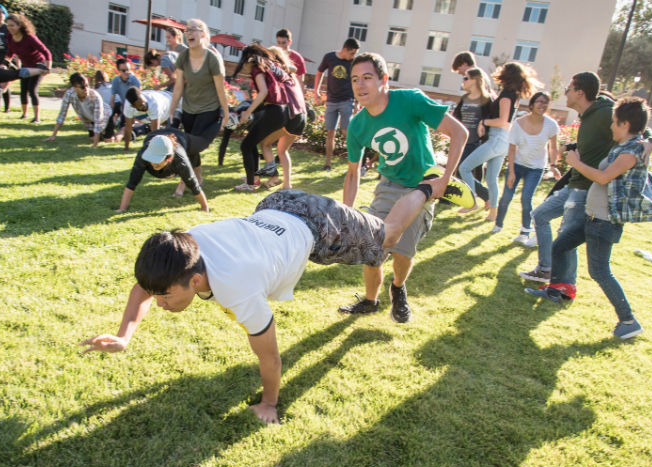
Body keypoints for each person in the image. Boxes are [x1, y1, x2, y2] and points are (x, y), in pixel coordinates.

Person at [81, 182, 444, 424]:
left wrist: (269, 404)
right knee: (375, 239)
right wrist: (124, 336)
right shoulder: (181, 248)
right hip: (275, 204)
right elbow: (141, 288)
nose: (158, 302)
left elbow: (269, 355)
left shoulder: (237, 287)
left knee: (389, 233)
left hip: (318, 224)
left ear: (194, 281)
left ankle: (432, 185)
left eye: (165, 296)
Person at [339, 52, 468, 323]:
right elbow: (352, 175)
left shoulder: (410, 100)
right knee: (373, 247)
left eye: (367, 78)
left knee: (403, 252)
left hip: (422, 186)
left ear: (384, 80)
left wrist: (444, 181)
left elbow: (460, 133)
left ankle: (397, 287)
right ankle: (371, 300)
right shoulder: (358, 125)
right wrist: (346, 213)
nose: (360, 85)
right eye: (354, 80)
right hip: (388, 186)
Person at [525, 98, 652, 340]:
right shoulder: (626, 146)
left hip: (604, 222)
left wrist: (576, 163)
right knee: (560, 245)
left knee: (599, 271)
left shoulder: (632, 151)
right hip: (592, 217)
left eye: (615, 123)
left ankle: (628, 320)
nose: (611, 127)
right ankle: (555, 290)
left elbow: (604, 177)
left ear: (626, 124)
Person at [519, 72, 652, 283]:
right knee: (540, 215)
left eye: (569, 89)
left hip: (587, 187)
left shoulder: (603, 113)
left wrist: (651, 142)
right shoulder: (588, 114)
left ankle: (564, 284)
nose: (565, 93)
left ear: (580, 92)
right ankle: (546, 269)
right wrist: (574, 147)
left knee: (566, 237)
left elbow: (638, 127)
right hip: (575, 183)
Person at [458, 62, 540, 221]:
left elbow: (503, 121)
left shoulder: (507, 95)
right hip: (503, 141)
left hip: (497, 139)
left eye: (503, 70)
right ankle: (493, 214)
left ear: (507, 75)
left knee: (464, 168)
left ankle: (472, 202)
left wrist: (484, 122)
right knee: (491, 179)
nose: (499, 72)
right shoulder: (512, 95)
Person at [169, 18, 229, 196]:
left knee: (188, 146)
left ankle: (181, 186)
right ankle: (200, 177)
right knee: (191, 145)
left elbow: (220, 89)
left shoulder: (212, 59)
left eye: (193, 30)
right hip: (189, 109)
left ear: (203, 34)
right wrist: (172, 110)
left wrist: (225, 113)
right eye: (186, 30)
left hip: (208, 109)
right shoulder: (183, 57)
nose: (188, 33)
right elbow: (179, 85)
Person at [492, 91, 560, 243]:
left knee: (526, 198)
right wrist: (510, 172)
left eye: (545, 102)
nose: (542, 105)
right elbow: (511, 148)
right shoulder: (518, 123)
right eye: (539, 101)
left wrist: (553, 165)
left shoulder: (551, 125)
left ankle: (524, 232)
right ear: (532, 104)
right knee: (506, 197)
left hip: (536, 168)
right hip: (517, 165)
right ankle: (498, 224)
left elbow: (553, 147)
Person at [231, 43, 295, 191]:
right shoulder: (268, 66)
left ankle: (251, 184)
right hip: (282, 111)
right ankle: (258, 178)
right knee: (252, 143)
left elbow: (264, 92)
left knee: (246, 145)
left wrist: (247, 112)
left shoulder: (256, 68)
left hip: (274, 111)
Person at [116, 127, 209, 213]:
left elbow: (193, 185)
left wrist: (204, 207)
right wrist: (122, 208)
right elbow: (132, 182)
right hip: (154, 135)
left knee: (198, 149)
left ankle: (197, 175)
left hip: (180, 137)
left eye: (157, 161)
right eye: (151, 159)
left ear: (168, 158)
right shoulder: (143, 155)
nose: (153, 164)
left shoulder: (180, 159)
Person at [314, 38, 360, 170]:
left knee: (346, 132)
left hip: (347, 100)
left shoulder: (353, 62)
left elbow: (356, 80)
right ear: (345, 49)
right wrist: (316, 91)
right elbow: (319, 72)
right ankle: (328, 164)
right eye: (352, 53)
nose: (353, 56)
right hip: (331, 101)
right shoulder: (329, 57)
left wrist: (356, 101)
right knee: (330, 133)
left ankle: (355, 164)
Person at [452, 67, 493, 207]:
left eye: (466, 78)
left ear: (475, 80)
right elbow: (456, 118)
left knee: (462, 170)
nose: (463, 80)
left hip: (476, 143)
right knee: (460, 171)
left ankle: (486, 196)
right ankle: (481, 196)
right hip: (462, 141)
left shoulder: (487, 100)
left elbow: (491, 120)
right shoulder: (464, 99)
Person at [5, 13, 51, 124]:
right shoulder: (10, 37)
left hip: (38, 67)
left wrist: (47, 68)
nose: (9, 28)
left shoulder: (29, 38)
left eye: (12, 25)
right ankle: (24, 114)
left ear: (19, 25)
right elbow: (10, 52)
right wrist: (5, 63)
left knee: (32, 90)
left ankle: (37, 118)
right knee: (23, 90)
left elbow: (46, 52)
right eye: (8, 25)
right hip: (26, 66)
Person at [45, 73, 110, 147]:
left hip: (106, 116)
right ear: (74, 87)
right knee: (93, 138)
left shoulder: (95, 96)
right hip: (89, 120)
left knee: (108, 140)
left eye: (87, 85)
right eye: (82, 87)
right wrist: (53, 135)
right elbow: (62, 114)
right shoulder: (69, 94)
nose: (86, 89)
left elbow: (99, 120)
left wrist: (95, 145)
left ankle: (120, 130)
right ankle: (101, 134)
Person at [122, 86, 173, 150]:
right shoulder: (128, 107)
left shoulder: (153, 102)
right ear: (133, 106)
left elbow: (155, 130)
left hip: (170, 100)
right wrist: (126, 147)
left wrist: (154, 148)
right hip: (159, 106)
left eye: (144, 102)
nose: (144, 105)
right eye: (140, 105)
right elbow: (128, 127)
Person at [108, 58, 141, 138]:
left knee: (124, 123)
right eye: (123, 70)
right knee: (113, 108)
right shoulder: (116, 81)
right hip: (123, 104)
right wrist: (110, 113)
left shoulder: (135, 81)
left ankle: (122, 131)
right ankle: (108, 129)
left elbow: (138, 101)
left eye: (128, 70)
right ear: (118, 71)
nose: (127, 72)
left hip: (133, 106)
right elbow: (112, 99)